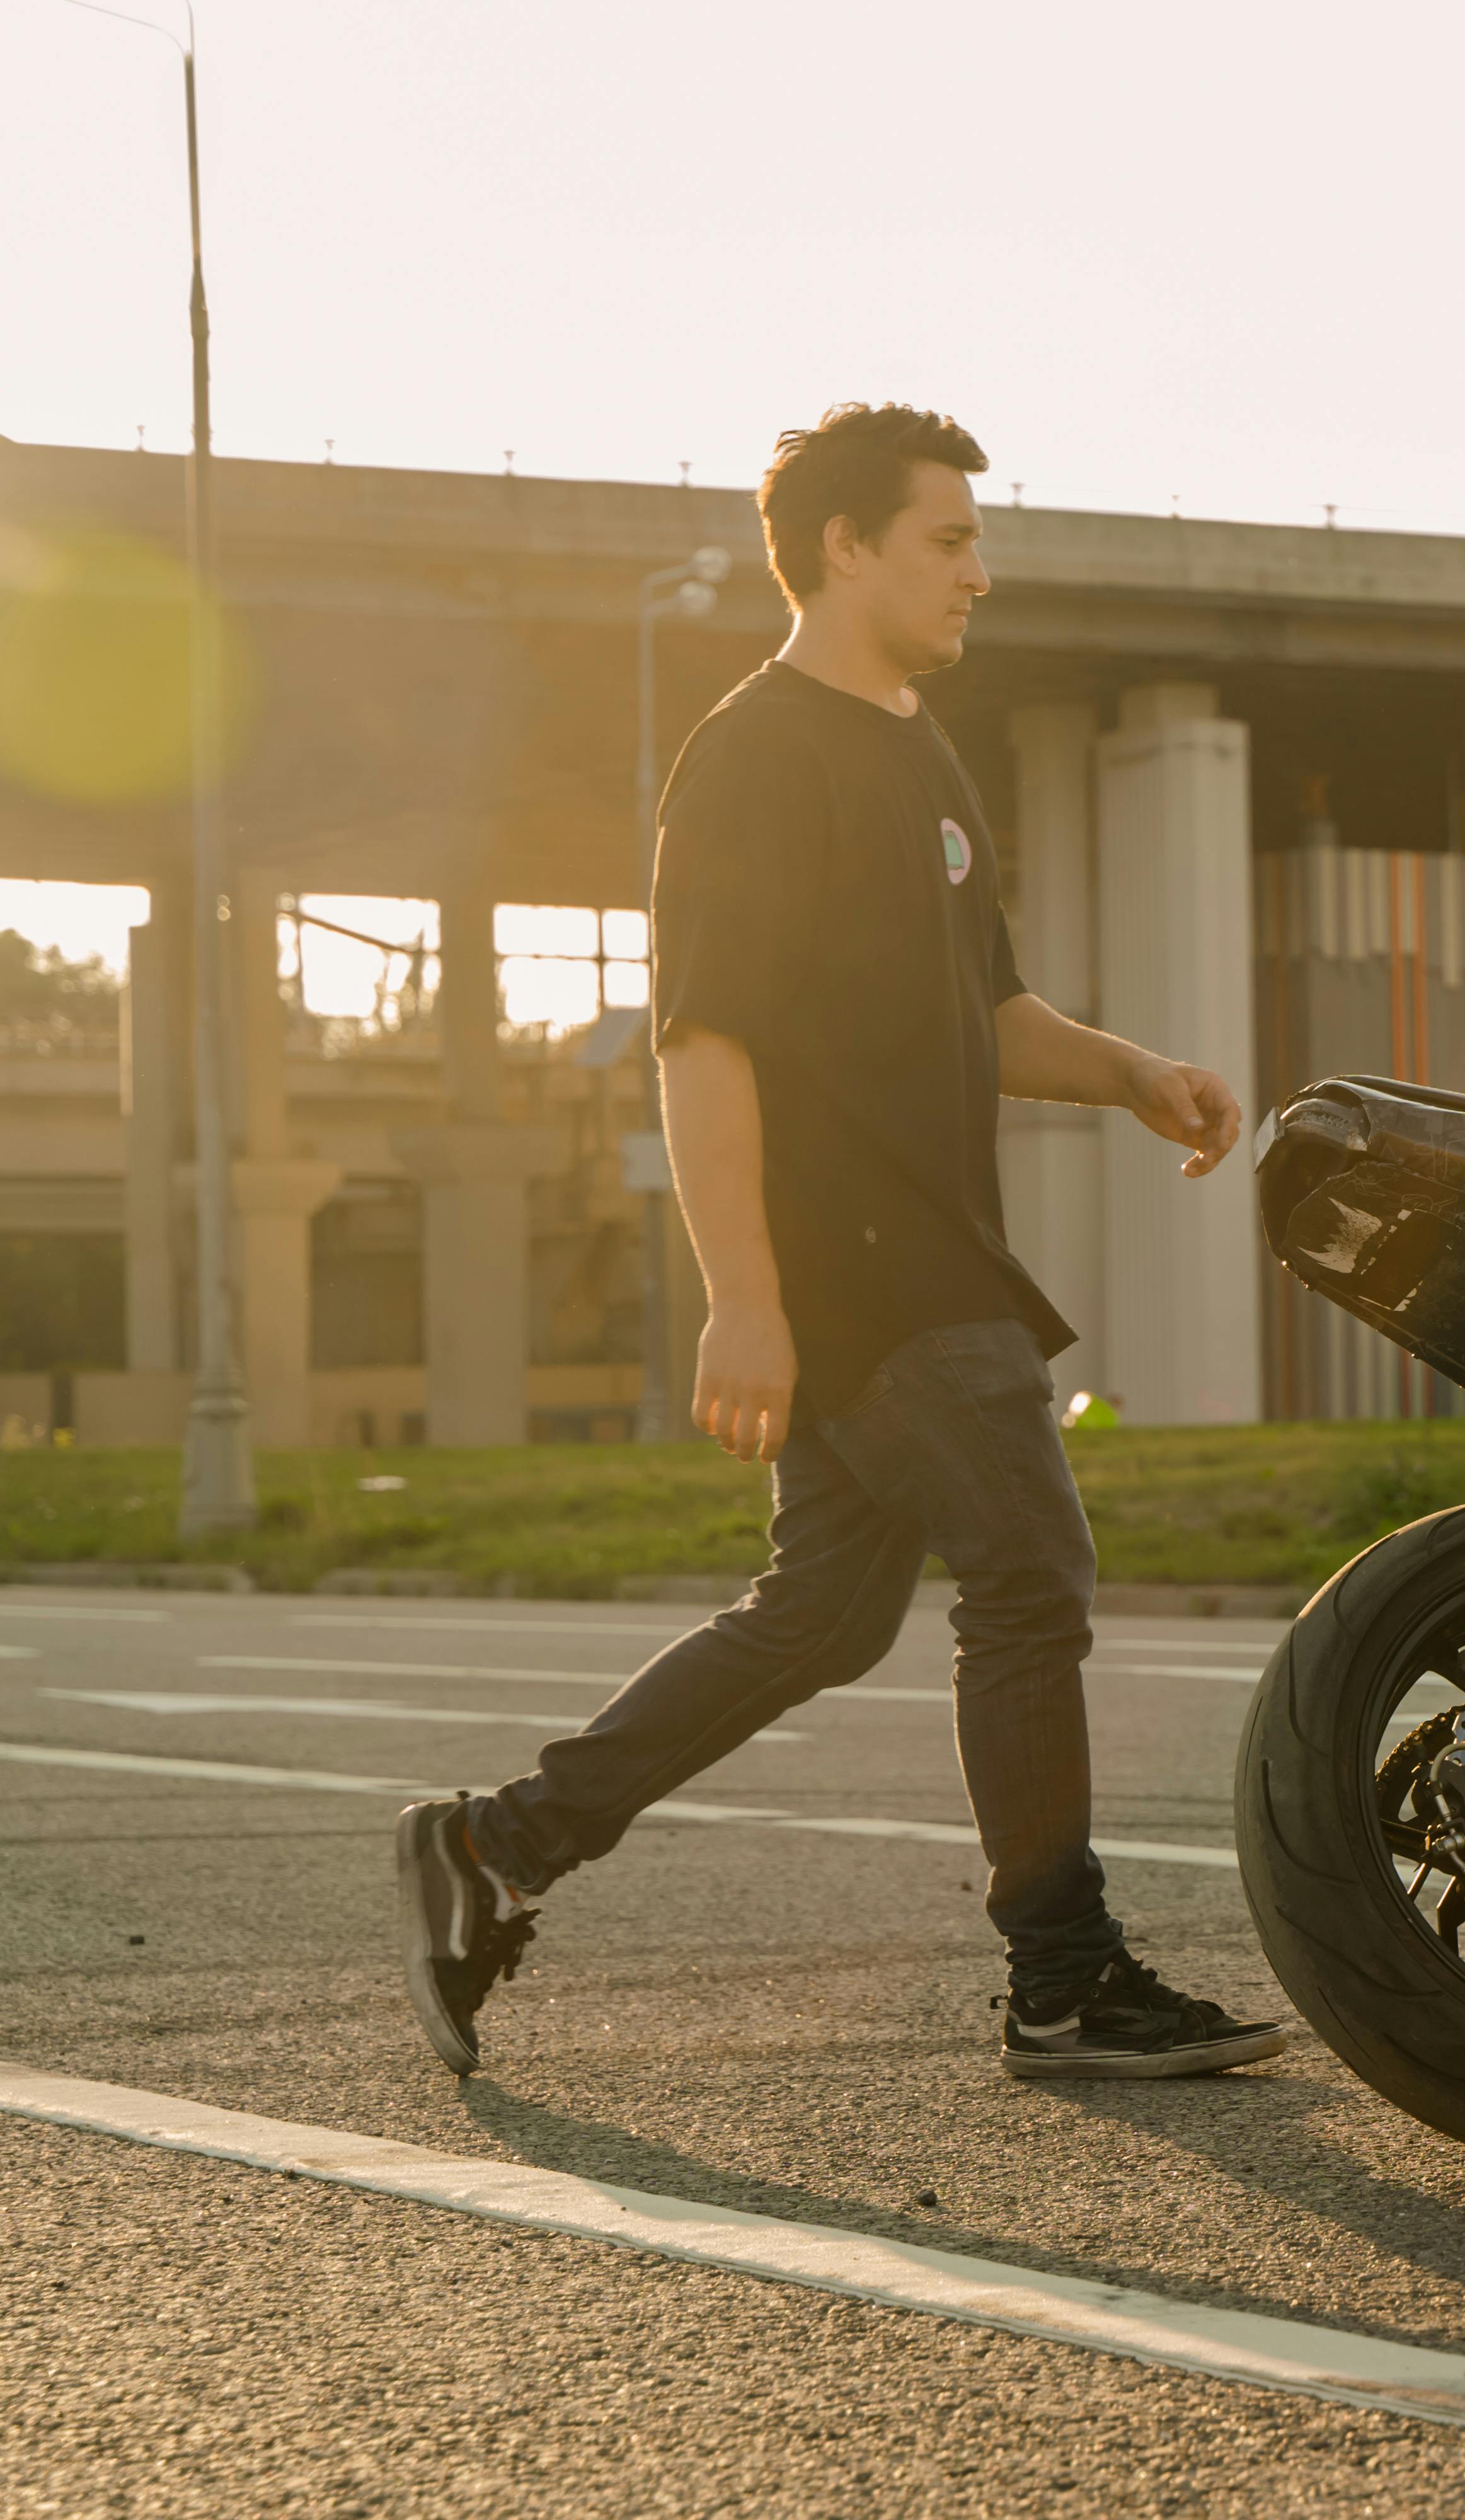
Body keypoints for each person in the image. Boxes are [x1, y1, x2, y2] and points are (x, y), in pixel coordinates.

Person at [397, 403, 1283, 2083]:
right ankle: (1064, 1976)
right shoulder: (754, 755)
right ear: (845, 547)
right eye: (949, 540)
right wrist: (742, 1297)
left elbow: (990, 1005)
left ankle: (501, 1843)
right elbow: (702, 1040)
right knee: (1030, 1577)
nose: (980, 572)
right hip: (871, 1263)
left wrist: (1133, 1077)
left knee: (823, 1615)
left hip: (919, 1247)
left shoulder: (919, 750)